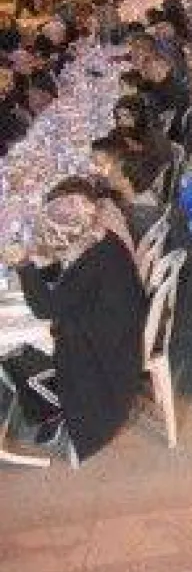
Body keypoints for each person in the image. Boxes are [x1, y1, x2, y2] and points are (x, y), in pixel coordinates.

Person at [1, 178, 145, 459]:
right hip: (112, 329)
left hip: (102, 350)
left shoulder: (94, 259)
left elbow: (47, 308)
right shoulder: (100, 238)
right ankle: (47, 409)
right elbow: (68, 279)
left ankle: (50, 409)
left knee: (16, 353)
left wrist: (24, 265)